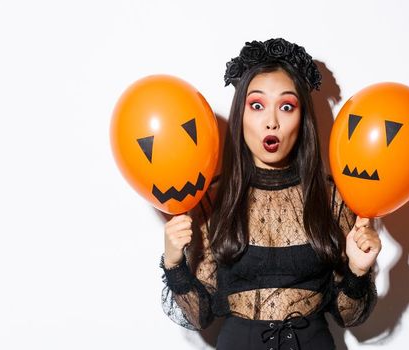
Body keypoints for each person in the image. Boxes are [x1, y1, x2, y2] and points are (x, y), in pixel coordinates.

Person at [159, 38, 381, 350]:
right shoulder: (213, 198)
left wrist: (358, 272)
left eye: (286, 107)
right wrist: (174, 264)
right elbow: (200, 316)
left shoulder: (332, 197)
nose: (272, 122)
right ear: (241, 115)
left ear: (302, 118)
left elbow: (350, 318)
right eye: (258, 105)